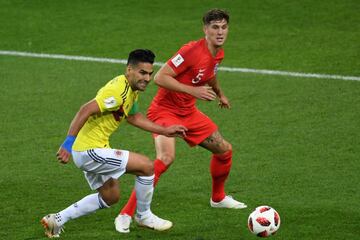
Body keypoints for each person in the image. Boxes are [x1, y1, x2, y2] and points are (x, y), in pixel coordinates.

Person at [115, 9, 247, 233]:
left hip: (188, 112)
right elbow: (160, 77)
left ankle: (218, 197)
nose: (220, 32)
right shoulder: (190, 51)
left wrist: (219, 92)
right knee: (166, 158)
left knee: (224, 150)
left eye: (224, 27)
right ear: (205, 30)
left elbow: (209, 73)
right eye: (215, 27)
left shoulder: (218, 53)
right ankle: (127, 213)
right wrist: (193, 90)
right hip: (165, 111)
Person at [40, 49, 187, 238]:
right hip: (88, 150)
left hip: (94, 148)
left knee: (110, 196)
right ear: (129, 70)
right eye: (142, 73)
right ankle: (143, 216)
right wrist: (67, 144)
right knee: (147, 166)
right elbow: (85, 109)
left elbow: (133, 117)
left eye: (150, 73)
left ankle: (56, 220)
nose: (147, 78)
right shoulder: (119, 91)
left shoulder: (131, 90)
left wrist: (165, 130)